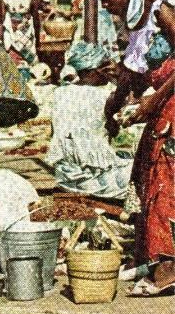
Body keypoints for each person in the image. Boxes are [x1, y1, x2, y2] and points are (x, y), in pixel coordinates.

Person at [88, 0, 175, 264]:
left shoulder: (160, 8)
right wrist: (113, 107)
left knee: (164, 179)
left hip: (171, 104)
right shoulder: (134, 20)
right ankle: (152, 260)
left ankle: (167, 265)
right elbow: (131, 71)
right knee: (144, 177)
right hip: (163, 106)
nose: (104, 5)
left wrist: (153, 99)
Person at [46, 42, 132, 199]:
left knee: (124, 155)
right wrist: (120, 73)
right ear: (96, 70)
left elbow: (58, 132)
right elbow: (126, 86)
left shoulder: (59, 93)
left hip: (65, 178)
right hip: (92, 181)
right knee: (146, 169)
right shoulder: (104, 97)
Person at [0, 0, 42, 68]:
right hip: (27, 36)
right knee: (28, 63)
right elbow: (36, 21)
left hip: (11, 34)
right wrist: (38, 40)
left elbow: (1, 19)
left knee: (12, 62)